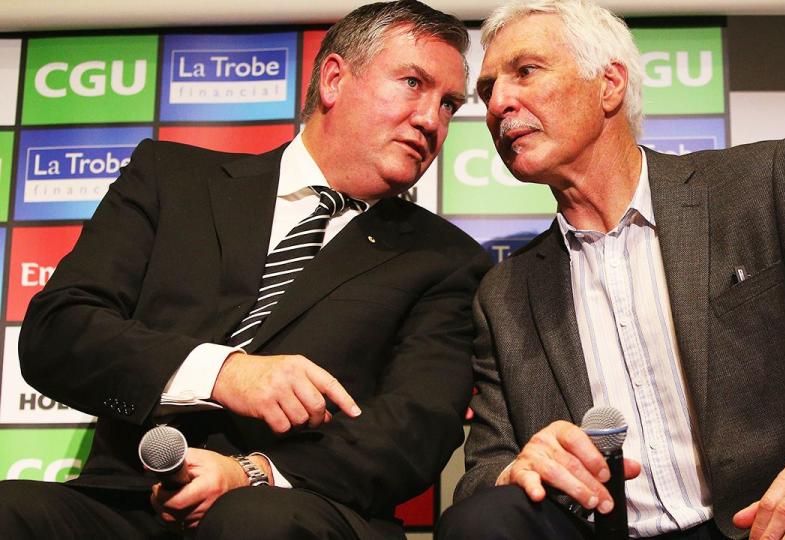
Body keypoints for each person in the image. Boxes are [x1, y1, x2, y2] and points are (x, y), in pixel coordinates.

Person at [438, 1, 785, 539]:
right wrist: (515, 469)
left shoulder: (758, 188)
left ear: (609, 85)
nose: (499, 103)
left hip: (778, 528)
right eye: (488, 90)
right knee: (484, 521)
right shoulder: (505, 293)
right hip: (609, 532)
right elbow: (481, 471)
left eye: (526, 71)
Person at [0, 1, 490, 539]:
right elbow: (57, 334)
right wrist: (224, 374)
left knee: (250, 521)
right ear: (333, 79)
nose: (430, 119)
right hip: (124, 502)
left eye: (448, 104)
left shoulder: (445, 259)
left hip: (298, 504)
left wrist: (250, 473)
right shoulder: (171, 179)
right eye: (412, 83)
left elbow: (416, 429)